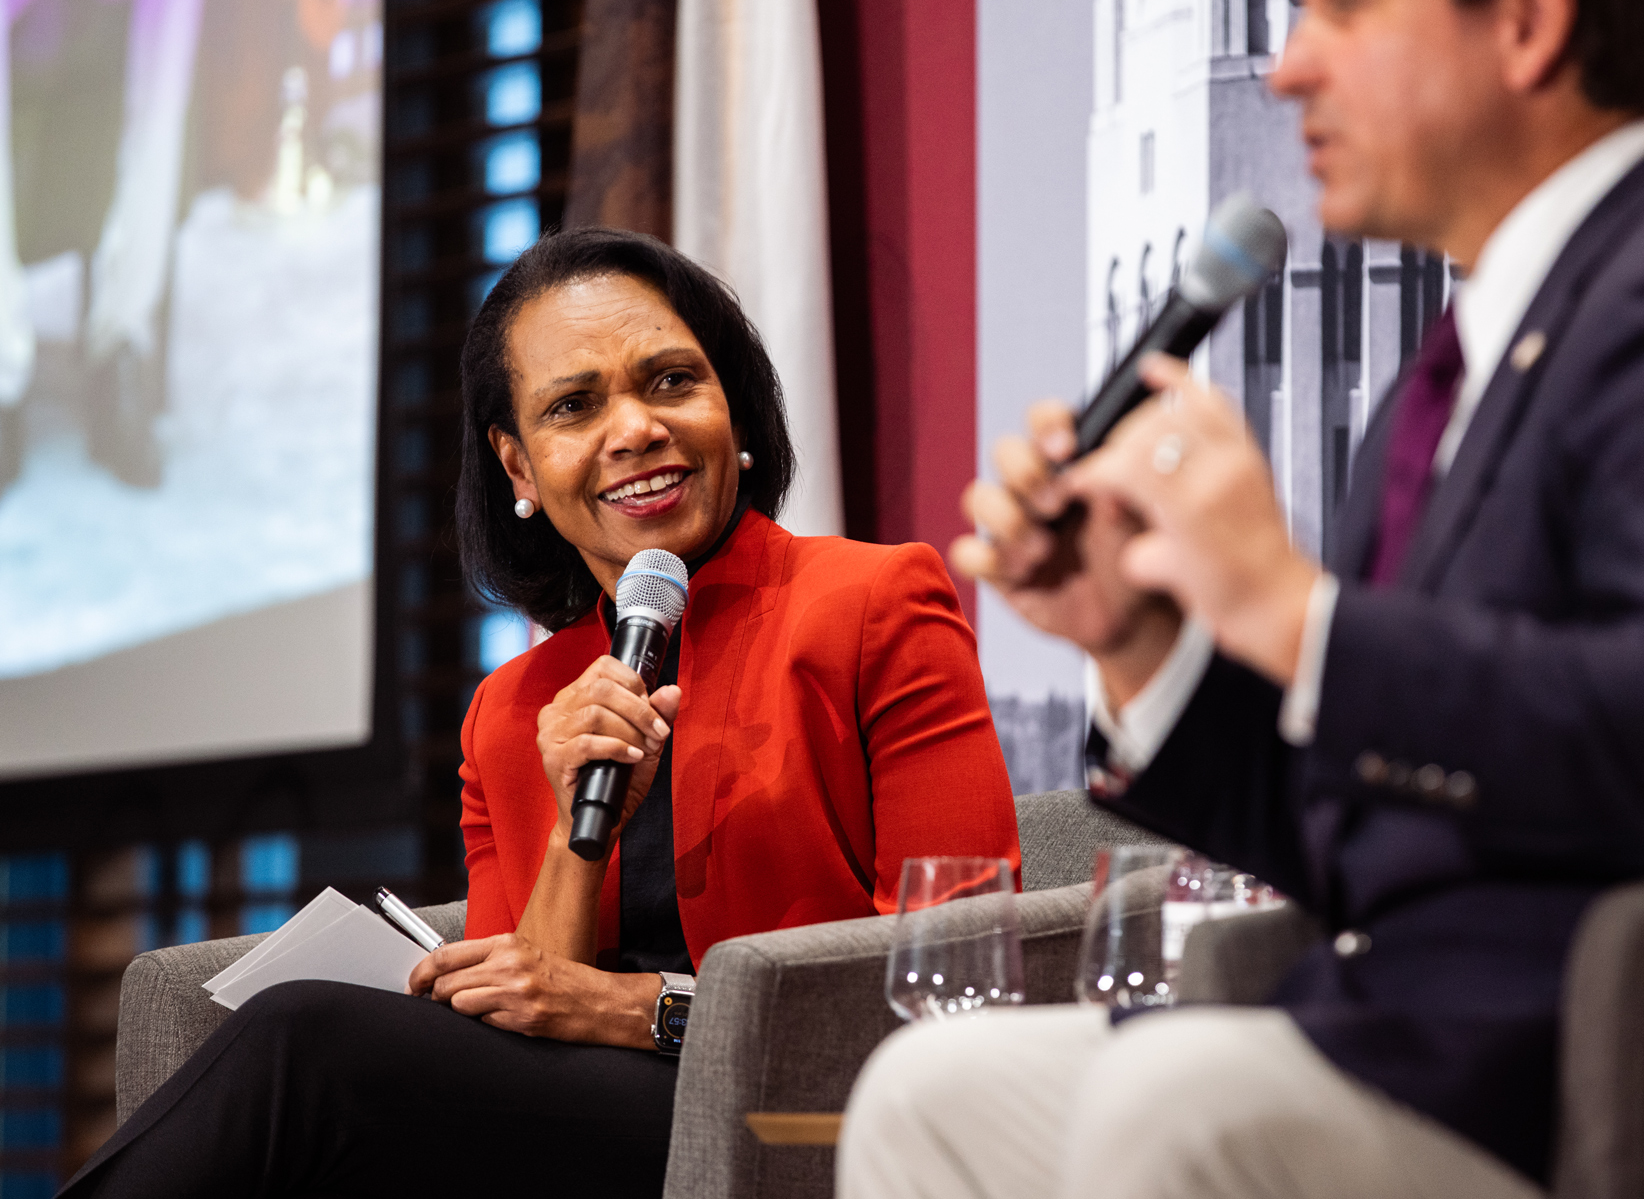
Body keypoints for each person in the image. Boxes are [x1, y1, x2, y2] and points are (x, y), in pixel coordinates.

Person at [837, 0, 1644, 1197]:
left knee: (1176, 1105)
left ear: (1526, 22)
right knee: (932, 1096)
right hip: (1420, 1033)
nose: (1288, 67)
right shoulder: (1458, 365)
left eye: (1344, 2)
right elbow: (1366, 822)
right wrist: (1144, 642)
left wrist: (1293, 615)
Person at [60, 227, 1020, 1196]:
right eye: (574, 405)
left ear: (731, 407)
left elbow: (961, 969)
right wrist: (572, 831)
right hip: (581, 1136)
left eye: (672, 381)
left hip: (796, 1117)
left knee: (302, 1038)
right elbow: (515, 1024)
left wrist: (639, 1009)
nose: (635, 429)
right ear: (518, 467)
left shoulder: (872, 603)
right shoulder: (510, 709)